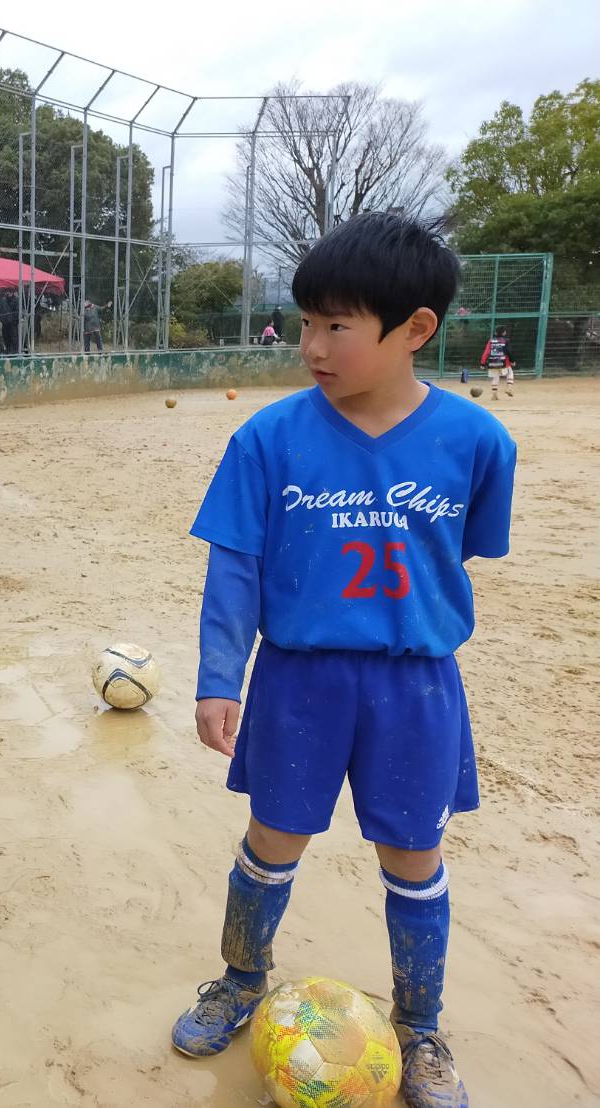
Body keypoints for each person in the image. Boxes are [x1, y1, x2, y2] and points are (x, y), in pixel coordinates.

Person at [173, 212, 516, 1108]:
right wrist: (219, 678)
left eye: (337, 326)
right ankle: (241, 980)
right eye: (305, 323)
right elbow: (235, 567)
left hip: (414, 685)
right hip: (297, 681)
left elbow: (463, 553)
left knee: (413, 853)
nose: (311, 346)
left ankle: (420, 1027)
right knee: (270, 840)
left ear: (414, 330)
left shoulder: (480, 444)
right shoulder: (267, 438)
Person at [479, 325, 517, 399]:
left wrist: (482, 363)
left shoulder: (491, 341)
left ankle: (494, 394)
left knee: (495, 378)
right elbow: (509, 352)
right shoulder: (506, 341)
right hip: (504, 362)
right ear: (504, 333)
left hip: (492, 362)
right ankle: (509, 389)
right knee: (510, 374)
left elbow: (486, 352)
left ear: (495, 333)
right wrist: (512, 361)